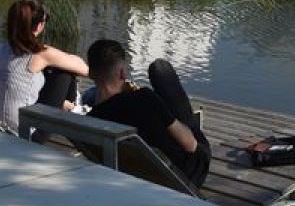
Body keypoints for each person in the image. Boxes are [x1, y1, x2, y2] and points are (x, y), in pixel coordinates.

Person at [85, 39, 210, 187]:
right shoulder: (144, 98)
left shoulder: (91, 121)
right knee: (160, 69)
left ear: (91, 74)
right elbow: (190, 145)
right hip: (186, 174)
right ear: (122, 73)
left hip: (138, 176)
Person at [0, 0, 88, 134]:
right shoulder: (40, 54)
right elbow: (85, 69)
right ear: (39, 26)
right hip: (23, 134)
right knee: (64, 73)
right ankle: (72, 107)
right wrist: (67, 58)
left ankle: (66, 105)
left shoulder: (3, 48)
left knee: (43, 72)